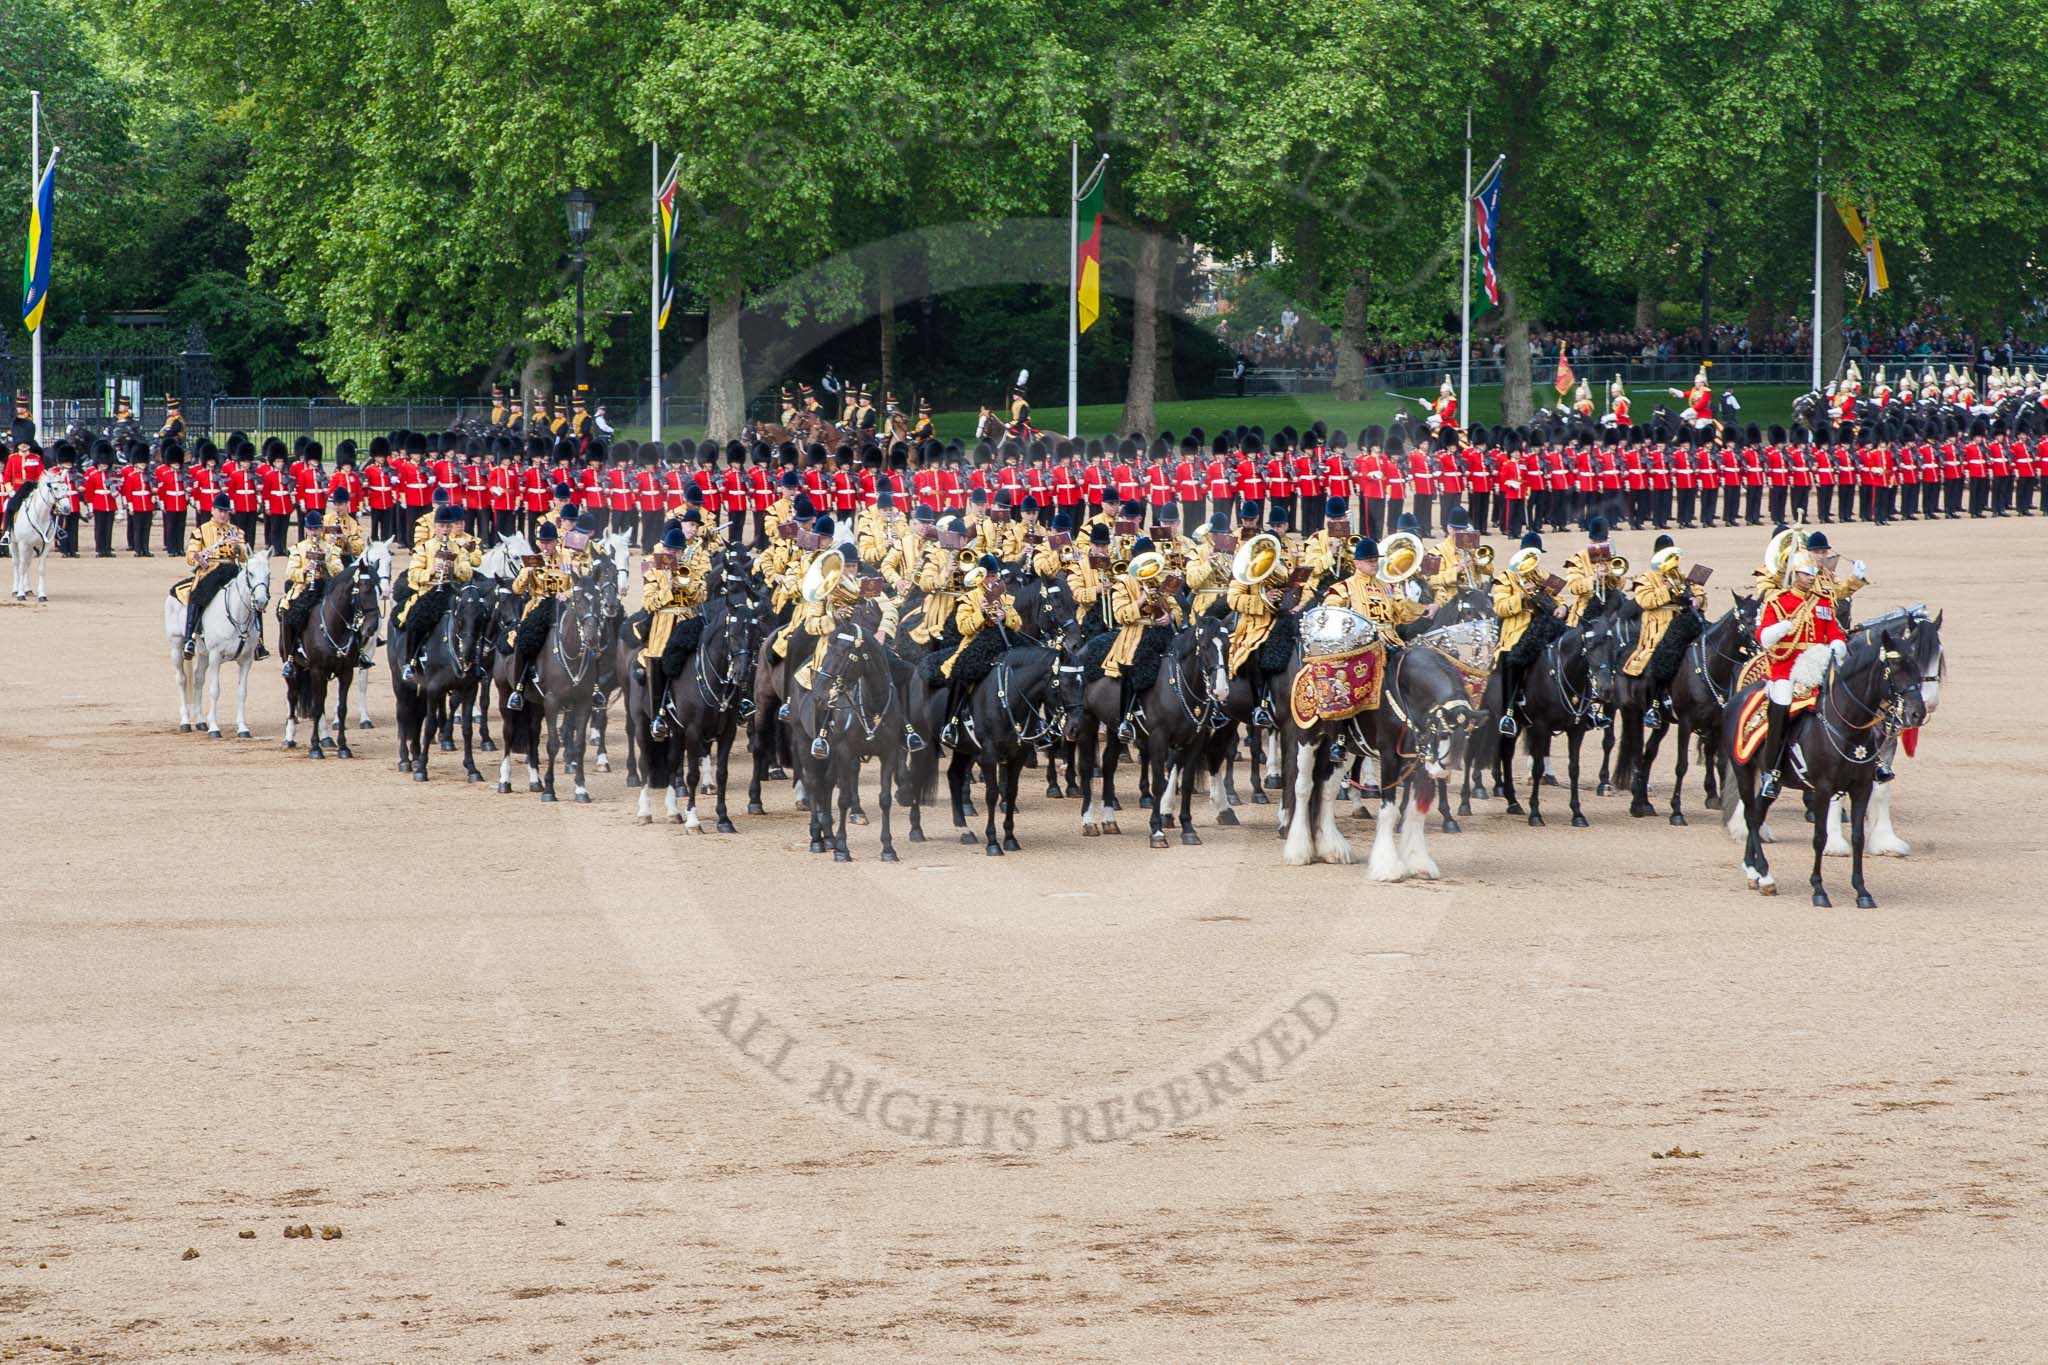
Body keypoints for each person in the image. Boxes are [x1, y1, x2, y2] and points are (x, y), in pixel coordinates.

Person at [1753, 548, 1848, 799]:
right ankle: (1771, 772)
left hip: (1816, 668)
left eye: (1813, 573)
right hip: (1786, 671)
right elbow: (1762, 636)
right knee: (1781, 707)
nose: (1810, 577)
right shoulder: (1778, 602)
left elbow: (1833, 631)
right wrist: (1779, 629)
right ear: (1795, 574)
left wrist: (1838, 644)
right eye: (1806, 573)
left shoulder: (1823, 602)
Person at [1100, 538, 1183, 741]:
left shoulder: (1159, 580)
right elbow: (1120, 615)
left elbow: (1176, 607)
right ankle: (1127, 718)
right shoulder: (1123, 584)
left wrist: (1170, 616)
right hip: (1136, 635)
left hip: (1162, 632)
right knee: (1136, 667)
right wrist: (1141, 600)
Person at [1623, 540, 1706, 730]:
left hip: (1684, 622)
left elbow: (1700, 593)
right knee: (1658, 659)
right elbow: (1645, 601)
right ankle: (1653, 707)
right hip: (1658, 626)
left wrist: (1697, 600)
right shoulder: (1645, 578)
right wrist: (1666, 589)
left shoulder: (1682, 575)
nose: (1671, 561)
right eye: (1666, 556)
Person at [397, 503, 479, 682]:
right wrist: (432, 571)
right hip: (430, 591)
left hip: (452, 591)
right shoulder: (424, 548)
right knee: (416, 619)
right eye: (441, 526)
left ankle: (475, 661)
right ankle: (410, 662)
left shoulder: (458, 548)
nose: (445, 529)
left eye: (448, 526)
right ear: (435, 526)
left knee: (475, 615)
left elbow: (467, 571)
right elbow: (413, 574)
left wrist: (455, 569)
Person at [639, 526, 706, 742]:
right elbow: (649, 603)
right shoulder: (653, 570)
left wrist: (685, 586)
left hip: (687, 622)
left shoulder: (689, 569)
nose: (673, 555)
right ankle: (658, 715)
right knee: (659, 662)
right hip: (664, 626)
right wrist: (669, 589)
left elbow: (701, 594)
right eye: (670, 550)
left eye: (677, 551)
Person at [503, 520, 573, 712]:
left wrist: (568, 593)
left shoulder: (566, 559)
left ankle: (591, 687)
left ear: (556, 542)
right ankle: (518, 688)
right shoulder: (531, 560)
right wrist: (527, 573)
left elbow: (577, 583)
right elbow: (517, 588)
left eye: (549, 542)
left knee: (585, 636)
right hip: (539, 607)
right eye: (542, 542)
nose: (545, 546)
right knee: (524, 641)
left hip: (563, 607)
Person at [1492, 532, 1554, 736]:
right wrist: (1520, 595)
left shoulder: (1543, 575)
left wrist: (1561, 608)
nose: (1533, 561)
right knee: (1513, 661)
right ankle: (1508, 713)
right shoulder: (1505, 578)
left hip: (1544, 627)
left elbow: (1559, 600)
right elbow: (1500, 607)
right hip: (1517, 631)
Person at [179, 493, 256, 660]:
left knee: (253, 595)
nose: (223, 515)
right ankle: (189, 638)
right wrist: (198, 556)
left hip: (232, 569)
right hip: (210, 570)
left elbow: (244, 558)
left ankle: (259, 641)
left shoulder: (236, 532)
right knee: (197, 596)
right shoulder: (201, 531)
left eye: (226, 512)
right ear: (212, 510)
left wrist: (238, 549)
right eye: (220, 511)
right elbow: (190, 555)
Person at [278, 511, 345, 681]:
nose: (314, 532)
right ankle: (290, 658)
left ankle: (355, 652)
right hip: (305, 589)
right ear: (306, 530)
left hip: (326, 588)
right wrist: (305, 570)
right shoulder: (298, 549)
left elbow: (339, 570)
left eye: (317, 529)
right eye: (311, 529)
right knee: (288, 613)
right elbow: (290, 572)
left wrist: (325, 566)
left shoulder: (332, 549)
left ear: (322, 529)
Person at [1323, 535, 1427, 638]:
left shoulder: (1389, 587)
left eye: (1376, 560)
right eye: (1369, 561)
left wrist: (1414, 604)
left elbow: (1404, 616)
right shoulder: (1344, 587)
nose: (1375, 564)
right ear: (1357, 564)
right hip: (1360, 641)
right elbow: (1329, 612)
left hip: (1390, 640)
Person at [1558, 516, 1622, 626]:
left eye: (1602, 541)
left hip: (1610, 606)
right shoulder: (1578, 558)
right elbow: (1573, 587)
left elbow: (1620, 586)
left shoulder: (1610, 556)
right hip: (1585, 608)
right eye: (1597, 541)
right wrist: (1593, 579)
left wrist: (1611, 575)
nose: (1599, 545)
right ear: (1591, 539)